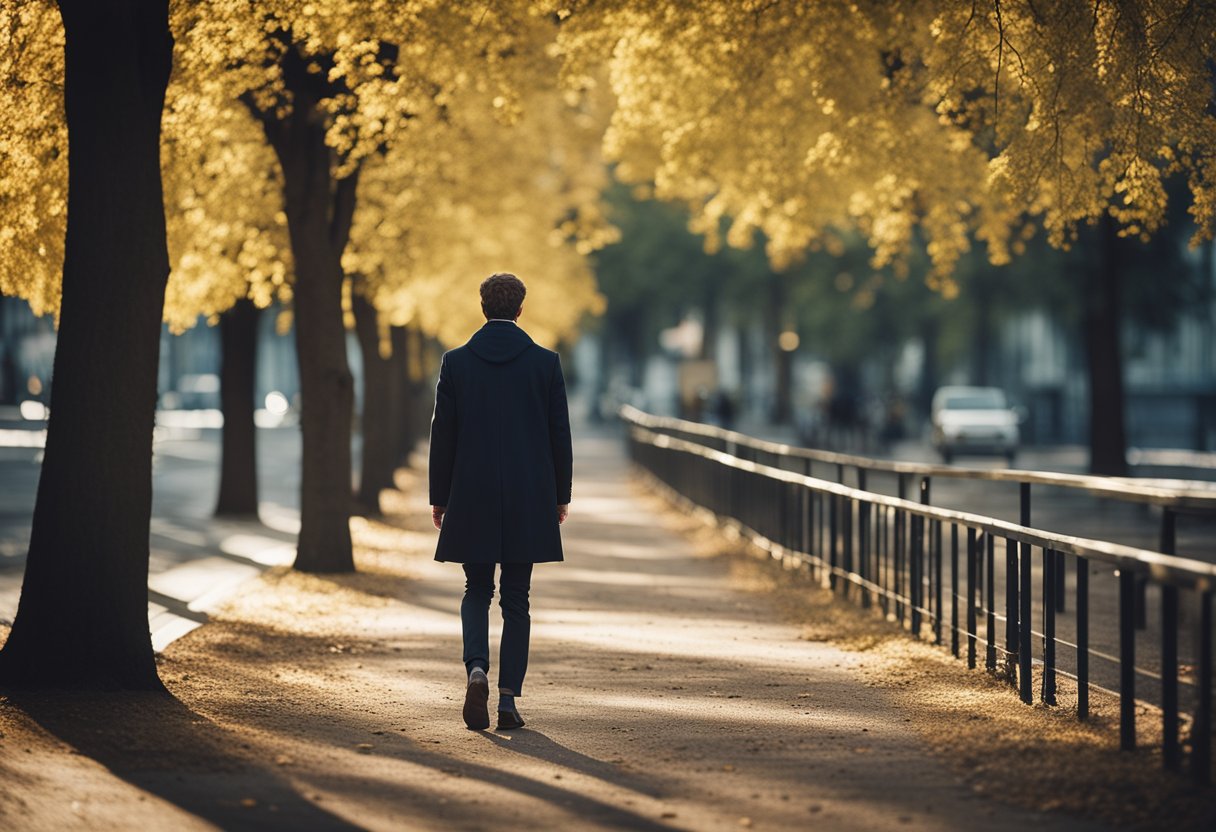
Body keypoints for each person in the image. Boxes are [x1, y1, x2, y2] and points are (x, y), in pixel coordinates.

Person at [429, 272, 572, 731]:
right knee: (517, 599)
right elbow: (559, 436)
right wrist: (560, 496)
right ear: (520, 309)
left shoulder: (456, 363)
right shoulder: (545, 364)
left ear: (483, 307)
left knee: (476, 590)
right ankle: (508, 700)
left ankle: (476, 669)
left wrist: (440, 497)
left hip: (471, 493)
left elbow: (442, 436)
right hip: (530, 493)